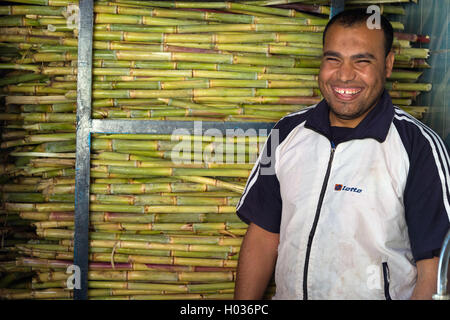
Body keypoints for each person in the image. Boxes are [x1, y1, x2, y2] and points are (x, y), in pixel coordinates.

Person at [234, 8, 450, 300]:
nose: (345, 75)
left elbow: (435, 268)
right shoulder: (286, 133)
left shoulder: (418, 146)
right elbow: (262, 235)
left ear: (388, 65)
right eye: (333, 59)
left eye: (362, 61)